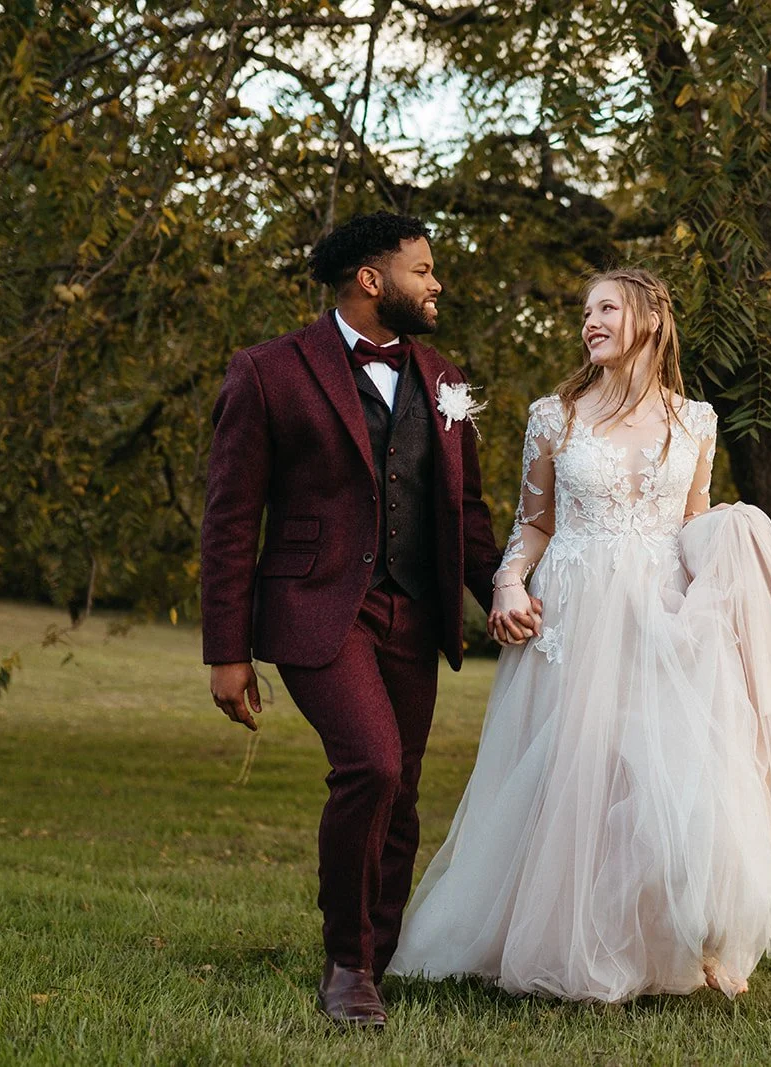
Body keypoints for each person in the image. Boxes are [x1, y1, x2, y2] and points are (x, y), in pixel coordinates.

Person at [388, 268, 771, 1002]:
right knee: (575, 776)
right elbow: (533, 523)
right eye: (585, 311)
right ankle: (558, 940)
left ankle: (660, 941)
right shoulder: (554, 416)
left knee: (663, 775)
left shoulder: (697, 420)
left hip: (664, 616)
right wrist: (508, 583)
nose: (590, 321)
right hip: (572, 611)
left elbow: (692, 519)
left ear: (649, 320)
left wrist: (731, 549)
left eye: (607, 308)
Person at [200, 212, 540, 1028]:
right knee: (373, 765)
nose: (437, 284)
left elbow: (466, 508)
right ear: (371, 279)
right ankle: (346, 963)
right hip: (315, 607)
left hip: (413, 611)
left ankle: (377, 956)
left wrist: (504, 588)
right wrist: (227, 651)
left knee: (405, 790)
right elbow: (230, 519)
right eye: (423, 270)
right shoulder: (268, 372)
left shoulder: (445, 377)